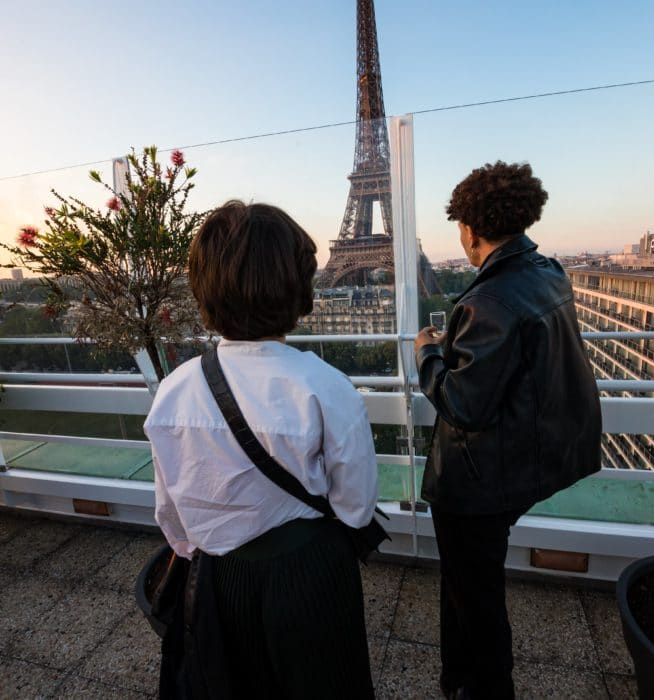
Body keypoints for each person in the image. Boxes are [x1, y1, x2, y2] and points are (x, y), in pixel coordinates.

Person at [144, 201, 378, 699]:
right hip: (310, 573)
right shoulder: (326, 386)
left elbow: (173, 518)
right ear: (299, 288)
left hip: (217, 577)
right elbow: (356, 508)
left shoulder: (175, 390)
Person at [414, 162, 602, 699]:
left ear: (470, 230)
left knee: (476, 597)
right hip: (530, 458)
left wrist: (426, 353)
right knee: (468, 583)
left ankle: (484, 687)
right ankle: (460, 680)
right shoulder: (548, 272)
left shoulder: (486, 302)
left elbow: (462, 404)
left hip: (479, 482)